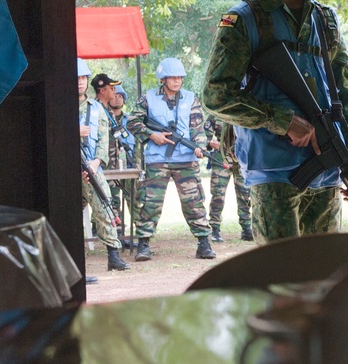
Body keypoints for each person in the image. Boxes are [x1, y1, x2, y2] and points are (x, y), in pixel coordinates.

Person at [201, 0, 348, 243]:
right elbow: (216, 96)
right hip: (272, 173)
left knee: (323, 278)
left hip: (325, 169)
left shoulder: (326, 20)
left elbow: (345, 94)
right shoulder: (243, 21)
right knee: (280, 280)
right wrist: (282, 121)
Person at [127, 57, 216, 261]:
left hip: (186, 159)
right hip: (157, 159)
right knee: (150, 201)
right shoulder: (148, 98)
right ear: (163, 79)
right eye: (173, 77)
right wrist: (152, 135)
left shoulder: (190, 98)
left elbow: (198, 128)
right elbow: (132, 121)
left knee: (193, 201)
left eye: (180, 77)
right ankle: (143, 244)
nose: (177, 81)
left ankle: (204, 243)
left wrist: (200, 147)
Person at [78, 60, 130, 272]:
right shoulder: (59, 105)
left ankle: (113, 255)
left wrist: (97, 161)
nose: (80, 83)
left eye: (83, 78)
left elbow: (103, 140)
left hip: (91, 166)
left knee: (105, 205)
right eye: (76, 78)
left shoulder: (97, 108)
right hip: (64, 168)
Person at [203, 114, 253, 242]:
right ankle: (214, 228)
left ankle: (247, 228)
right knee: (218, 193)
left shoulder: (244, 111)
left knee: (245, 192)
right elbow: (204, 137)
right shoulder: (216, 113)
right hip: (221, 158)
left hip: (243, 157)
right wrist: (209, 143)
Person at [105, 84, 137, 239]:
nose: (117, 98)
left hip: (128, 165)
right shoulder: (103, 117)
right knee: (113, 199)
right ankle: (117, 233)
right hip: (109, 166)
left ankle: (139, 232)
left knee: (134, 198)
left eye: (120, 96)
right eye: (114, 95)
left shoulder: (130, 119)